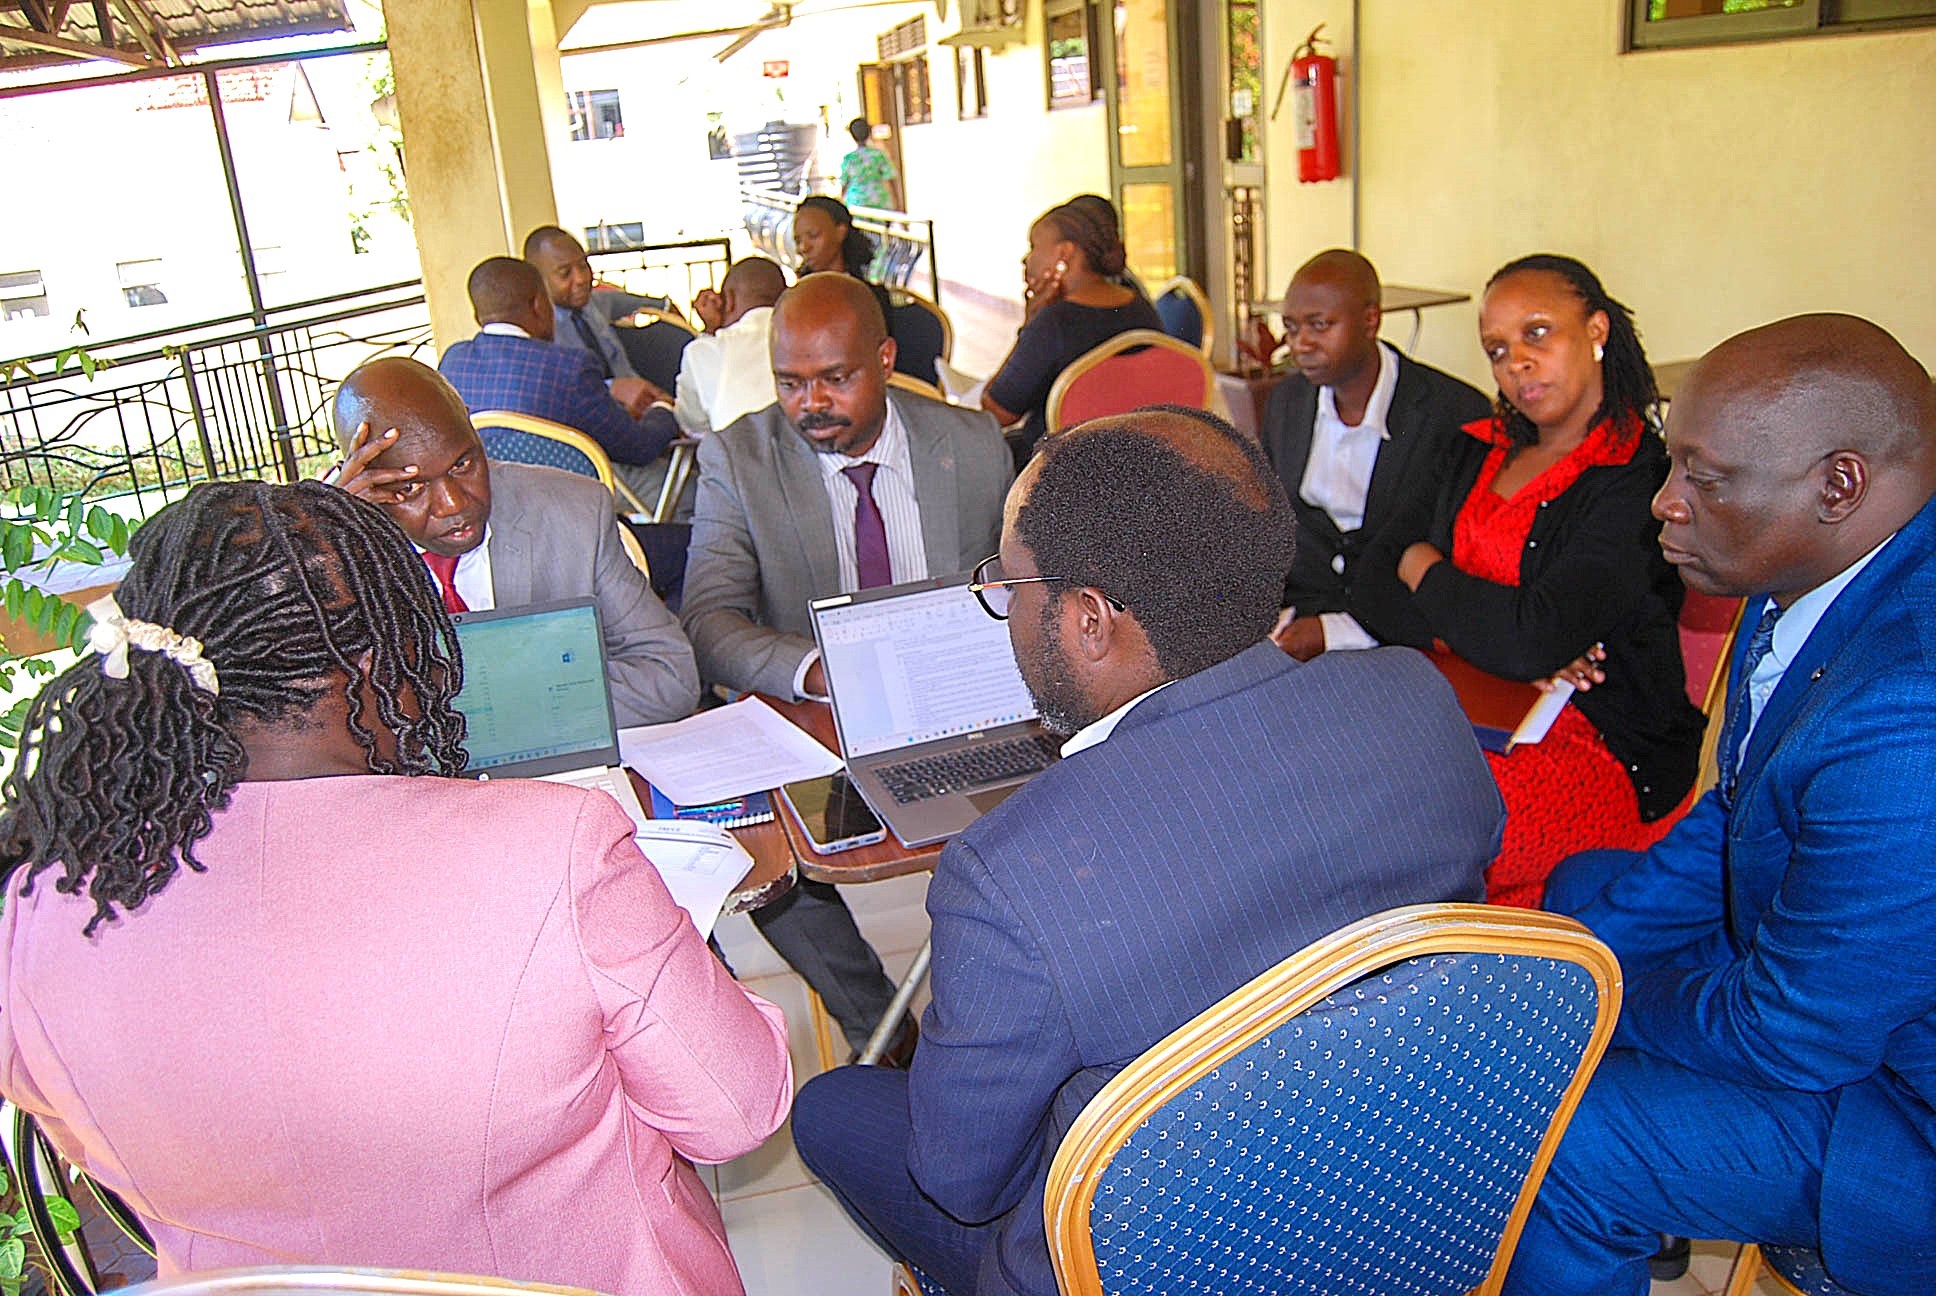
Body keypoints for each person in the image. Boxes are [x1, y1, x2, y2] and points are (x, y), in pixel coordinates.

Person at [0, 480, 791, 1296]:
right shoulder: (559, 847)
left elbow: (73, 1128)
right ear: (384, 656)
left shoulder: (42, 908)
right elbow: (734, 1111)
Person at [789, 406, 1504, 1296]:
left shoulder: (1006, 876)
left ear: (1090, 621)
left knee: (831, 1106)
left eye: (1009, 584)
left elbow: (961, 1182)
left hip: (1143, 1261)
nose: (1004, 609)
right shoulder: (1416, 701)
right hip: (1408, 1202)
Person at [1507, 315, 1936, 1296]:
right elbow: (1738, 810)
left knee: (1552, 1137)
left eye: (1703, 479)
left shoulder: (1908, 709)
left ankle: (1608, 1197)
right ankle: (1647, 1209)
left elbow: (1794, 1032)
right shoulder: (1819, 572)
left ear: (1838, 485)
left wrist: (1592, 998)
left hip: (1900, 1103)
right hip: (1848, 981)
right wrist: (1574, 954)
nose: (1665, 502)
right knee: (1578, 893)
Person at [681, 272, 1010, 1057]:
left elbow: (1015, 581)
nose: (811, 404)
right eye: (790, 383)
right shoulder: (739, 458)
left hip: (958, 707)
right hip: (817, 718)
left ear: (886, 359)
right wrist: (820, 671)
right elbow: (708, 619)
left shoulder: (971, 445)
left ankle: (1003, 1015)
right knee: (766, 858)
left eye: (835, 378)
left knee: (1044, 823)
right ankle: (883, 1029)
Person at [1355, 253, 1706, 908]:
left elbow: (1528, 640)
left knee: (1394, 843)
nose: (1515, 362)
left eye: (1537, 333)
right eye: (1496, 349)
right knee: (1323, 790)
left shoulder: (1638, 478)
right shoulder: (1471, 446)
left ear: (1597, 330)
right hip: (1458, 707)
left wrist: (1422, 565)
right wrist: (1485, 637)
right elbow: (1370, 581)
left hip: (1597, 745)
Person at [333, 356, 700, 726]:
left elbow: (670, 676)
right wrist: (331, 549)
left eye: (462, 465)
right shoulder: (332, 555)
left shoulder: (574, 513)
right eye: (410, 487)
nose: (453, 504)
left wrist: (507, 705)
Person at [1259, 249, 1491, 661]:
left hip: (1403, 633)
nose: (1300, 344)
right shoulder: (1287, 403)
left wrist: (1336, 631)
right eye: (1291, 328)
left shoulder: (1453, 413)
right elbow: (1270, 522)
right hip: (1297, 618)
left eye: (1319, 325)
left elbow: (1454, 556)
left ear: (1371, 320)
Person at [437, 256, 680, 504]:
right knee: (689, 490)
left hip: (493, 506)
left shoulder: (453, 361)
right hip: (573, 502)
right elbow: (636, 448)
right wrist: (663, 408)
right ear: (539, 304)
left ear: (478, 316)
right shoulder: (570, 367)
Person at [981, 199, 1163, 463]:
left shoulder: (1054, 323)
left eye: (1033, 246)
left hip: (1057, 469)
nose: (1025, 258)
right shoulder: (1141, 308)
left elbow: (996, 412)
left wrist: (1029, 326)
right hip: (1135, 463)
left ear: (1064, 253)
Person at [522, 224, 669, 413]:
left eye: (583, 266)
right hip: (587, 419)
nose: (581, 279)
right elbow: (556, 392)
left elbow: (630, 302)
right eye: (565, 273)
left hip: (637, 408)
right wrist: (613, 388)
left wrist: (666, 305)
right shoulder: (537, 329)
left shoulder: (593, 305)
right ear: (537, 279)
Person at [676, 256, 786, 437]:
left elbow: (693, 422)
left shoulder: (703, 351)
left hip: (740, 453)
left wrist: (710, 330)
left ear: (728, 300)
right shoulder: (808, 337)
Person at [838, 117, 902, 212]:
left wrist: (840, 202)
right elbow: (891, 178)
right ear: (869, 133)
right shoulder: (878, 155)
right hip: (879, 200)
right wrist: (898, 202)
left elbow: (844, 183)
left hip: (856, 202)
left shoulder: (849, 159)